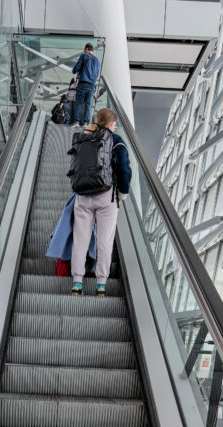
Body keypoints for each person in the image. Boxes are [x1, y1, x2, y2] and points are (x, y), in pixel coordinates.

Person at [69, 107, 131, 297]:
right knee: (104, 241)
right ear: (111, 124)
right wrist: (122, 193)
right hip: (106, 196)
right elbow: (124, 170)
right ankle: (101, 285)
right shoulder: (116, 141)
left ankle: (77, 283)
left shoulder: (84, 137)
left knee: (80, 239)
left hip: (83, 195)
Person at [72, 43, 100, 126]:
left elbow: (77, 68)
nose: (84, 51)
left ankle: (76, 121)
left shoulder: (84, 56)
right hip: (92, 85)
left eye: (85, 49)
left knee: (79, 102)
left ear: (87, 49)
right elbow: (97, 73)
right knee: (88, 104)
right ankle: (86, 123)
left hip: (83, 83)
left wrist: (75, 71)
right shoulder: (97, 60)